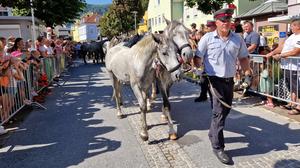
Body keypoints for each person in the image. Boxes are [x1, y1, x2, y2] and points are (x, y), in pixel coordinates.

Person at [193, 8, 252, 164]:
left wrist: (247, 72)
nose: (226, 23)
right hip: (213, 80)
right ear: (216, 22)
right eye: (223, 21)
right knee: (219, 112)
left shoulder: (238, 39)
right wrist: (198, 67)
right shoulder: (207, 38)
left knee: (225, 110)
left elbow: (244, 58)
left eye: (228, 20)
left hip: (229, 81)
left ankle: (213, 133)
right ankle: (218, 147)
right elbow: (198, 58)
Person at [265, 18, 300, 115]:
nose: (291, 27)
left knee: (297, 87)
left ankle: (298, 106)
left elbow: (296, 51)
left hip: (295, 66)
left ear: (298, 26)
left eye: (292, 25)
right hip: (287, 66)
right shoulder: (292, 36)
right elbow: (281, 47)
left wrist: (280, 56)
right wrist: (271, 53)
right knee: (291, 86)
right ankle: (292, 103)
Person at [195, 20, 216, 103]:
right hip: (205, 62)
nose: (208, 27)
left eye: (210, 26)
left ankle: (213, 98)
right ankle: (203, 95)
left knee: (211, 82)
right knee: (203, 80)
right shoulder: (206, 36)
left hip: (213, 63)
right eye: (207, 26)